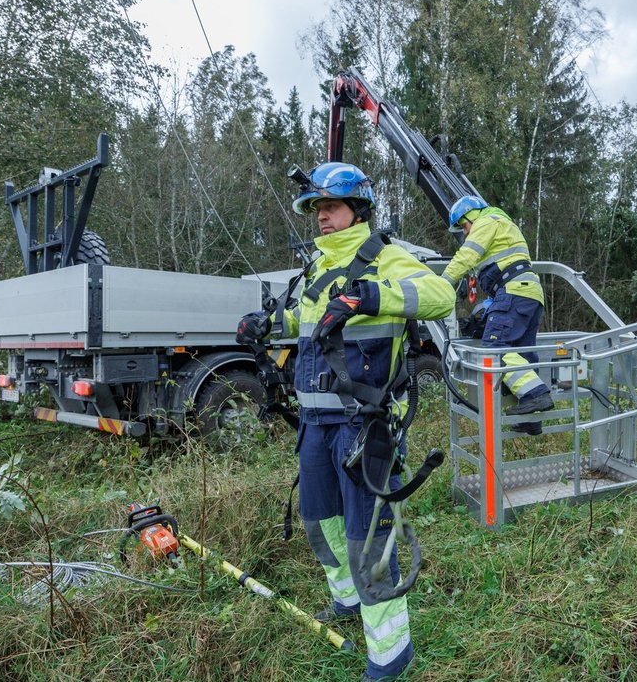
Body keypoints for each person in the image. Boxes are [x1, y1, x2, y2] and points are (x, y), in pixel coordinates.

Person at [237, 161, 453, 681]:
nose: (320, 218)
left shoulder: (387, 258)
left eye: (328, 207)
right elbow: (306, 320)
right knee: (319, 522)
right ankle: (346, 601)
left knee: (368, 538)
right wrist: (269, 323)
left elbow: (442, 296)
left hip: (365, 428)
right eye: (315, 210)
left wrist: (374, 295)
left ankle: (390, 654)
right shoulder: (314, 269)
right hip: (314, 425)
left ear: (357, 209)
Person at [441, 196, 553, 434]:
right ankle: (532, 416)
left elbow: (465, 257)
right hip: (529, 292)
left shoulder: (486, 222)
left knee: (495, 349)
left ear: (469, 215)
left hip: (512, 292)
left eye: (463, 226)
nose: (465, 232)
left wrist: (441, 285)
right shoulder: (504, 225)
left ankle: (536, 394)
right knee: (523, 354)